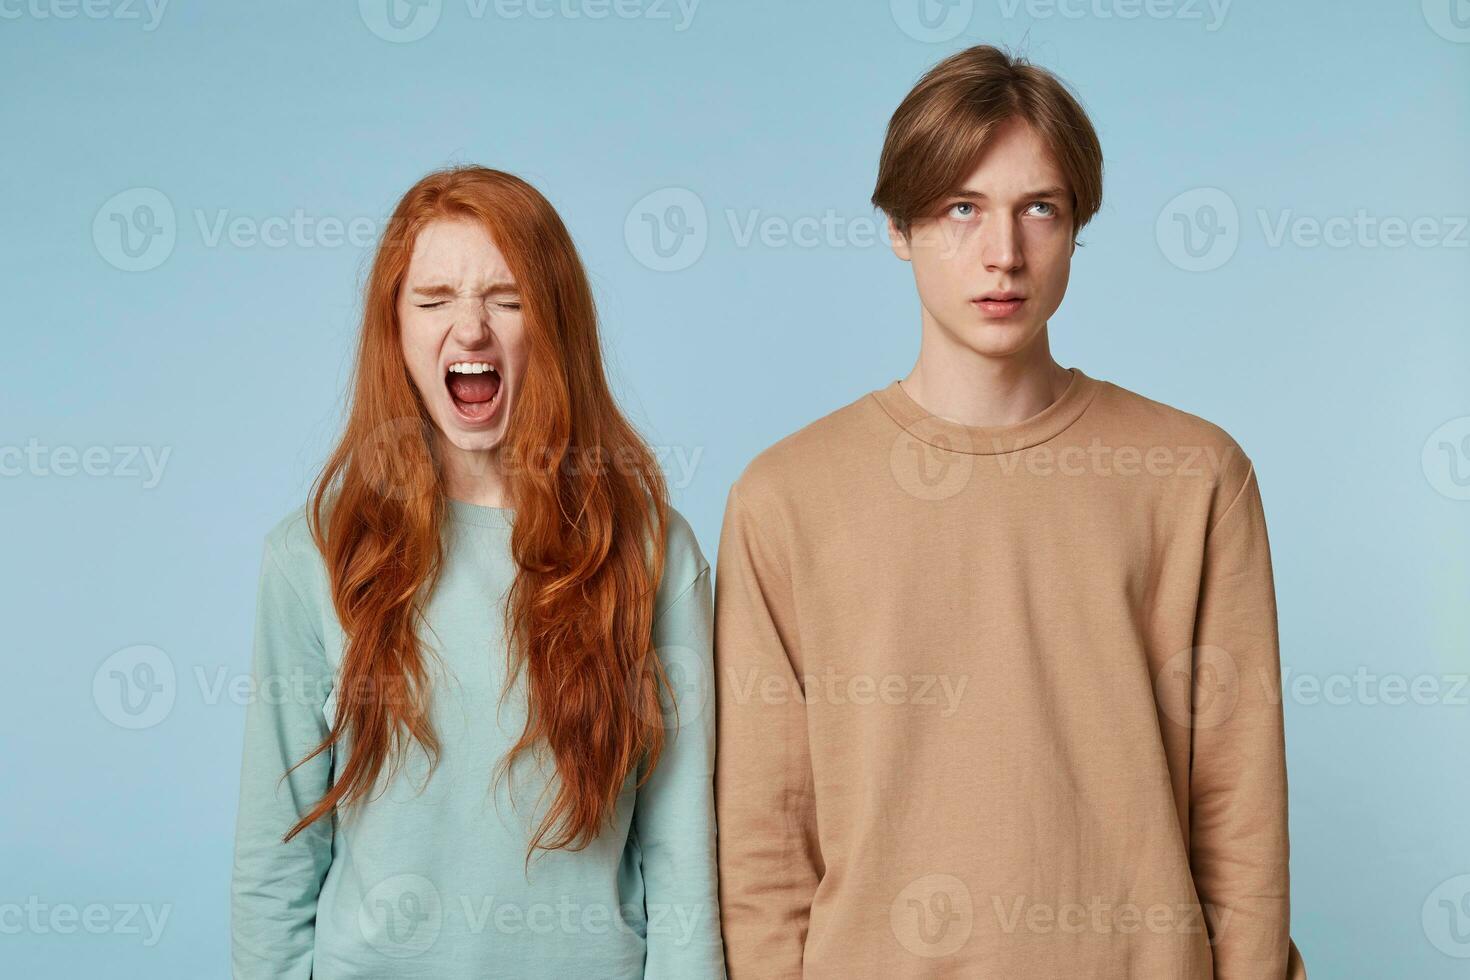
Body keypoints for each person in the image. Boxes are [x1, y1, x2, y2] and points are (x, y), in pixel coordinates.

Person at [713, 45, 1306, 978]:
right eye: (961, 208)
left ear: (1076, 228)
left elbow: (1243, 819)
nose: (1004, 253)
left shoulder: (1194, 477)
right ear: (898, 230)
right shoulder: (784, 498)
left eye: (1041, 208)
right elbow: (763, 851)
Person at [230, 166, 725, 979]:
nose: (470, 329)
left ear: (554, 321)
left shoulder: (650, 550)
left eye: (507, 297)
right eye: (433, 300)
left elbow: (681, 856)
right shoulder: (311, 553)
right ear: (395, 329)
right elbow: (273, 860)